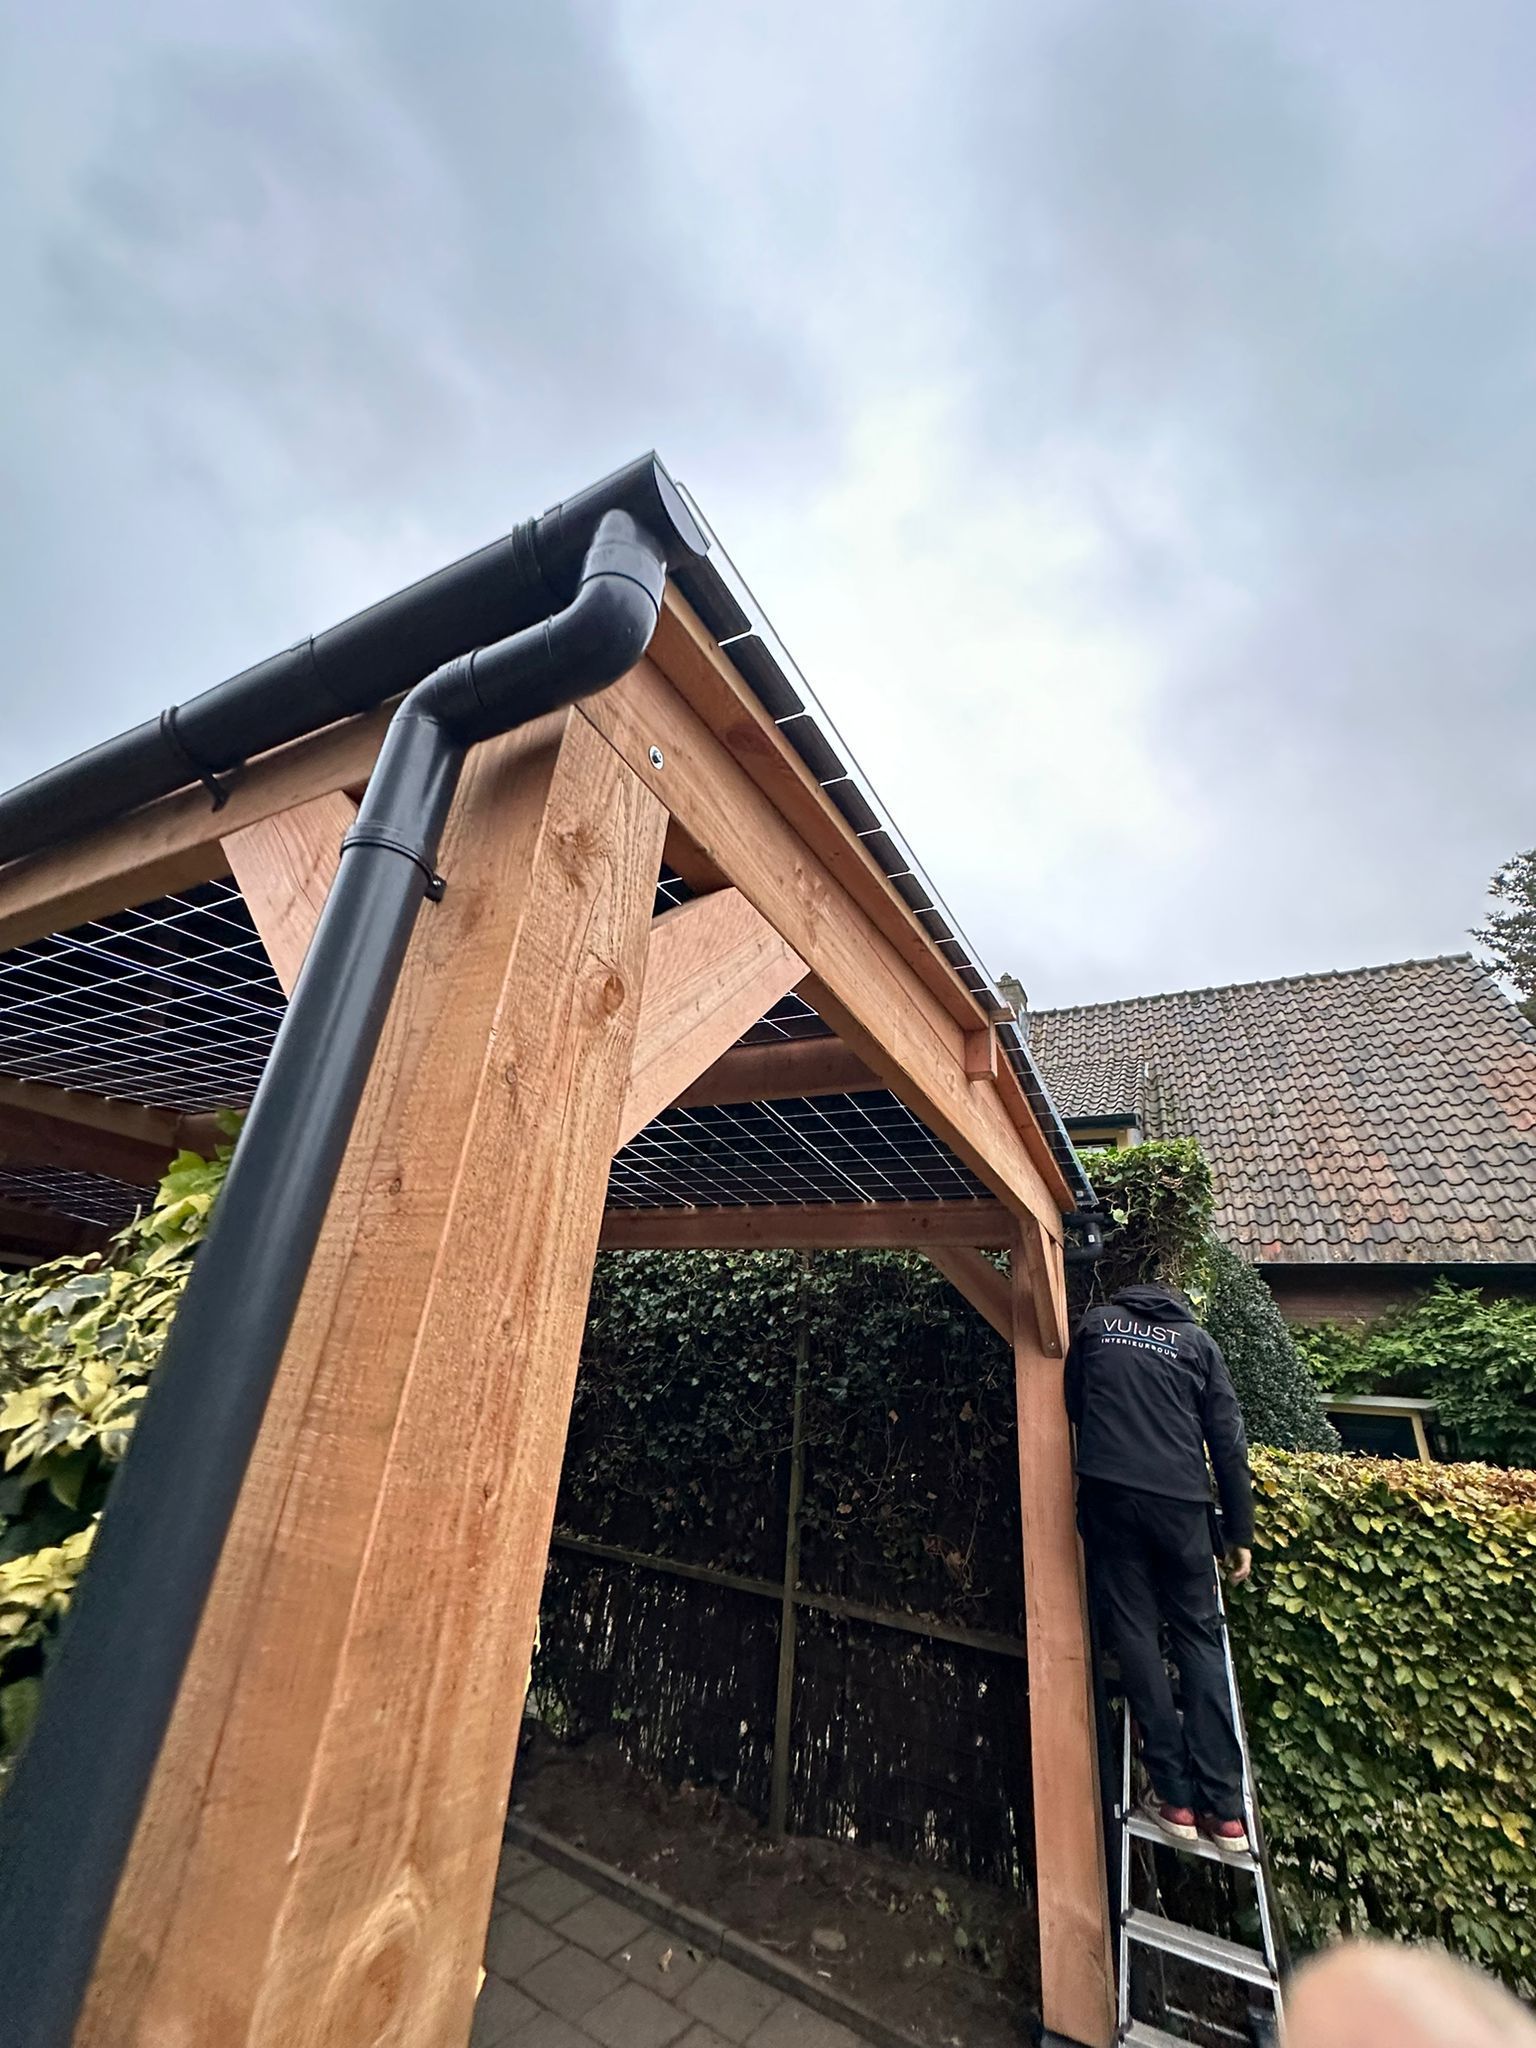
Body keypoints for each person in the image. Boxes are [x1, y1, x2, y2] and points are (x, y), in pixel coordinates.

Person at [1065, 1272, 1254, 1854]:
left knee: (1135, 1634)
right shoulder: (1197, 1343)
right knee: (1198, 1637)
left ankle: (1173, 1797)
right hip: (1181, 1505)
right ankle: (1226, 1811)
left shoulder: (1097, 1326)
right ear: (1177, 1305)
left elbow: (1074, 1403)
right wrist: (1238, 1531)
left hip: (1111, 1495)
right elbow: (1227, 1438)